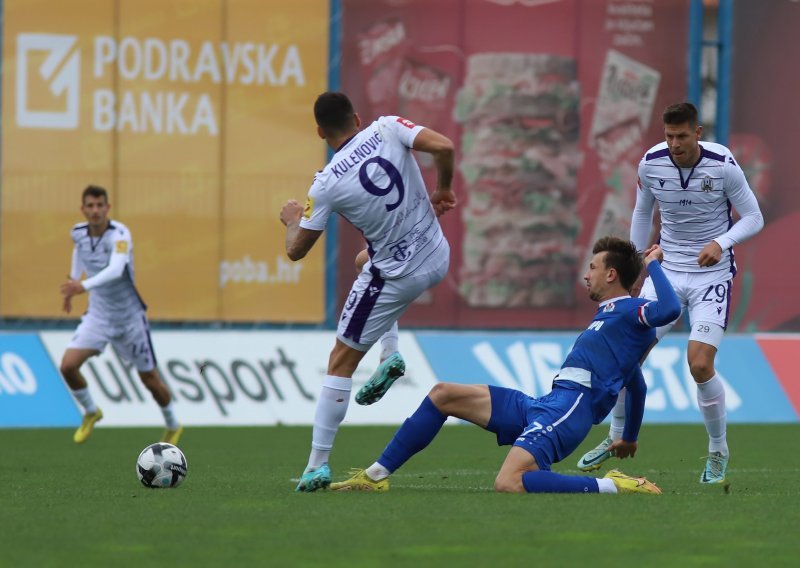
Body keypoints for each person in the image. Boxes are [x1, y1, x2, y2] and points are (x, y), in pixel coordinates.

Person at [330, 237, 680, 494]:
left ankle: (613, 487)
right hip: (546, 404)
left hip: (570, 410)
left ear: (611, 274)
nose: (587, 275)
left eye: (593, 267)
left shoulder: (631, 310)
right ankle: (374, 477)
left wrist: (652, 265)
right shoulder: (610, 319)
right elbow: (636, 382)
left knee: (508, 482)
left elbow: (669, 310)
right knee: (443, 394)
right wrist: (628, 436)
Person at [577, 102, 764, 484]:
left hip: (710, 277)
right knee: (628, 356)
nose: (674, 144)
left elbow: (754, 217)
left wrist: (722, 242)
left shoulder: (723, 164)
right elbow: (642, 212)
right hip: (667, 274)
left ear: (697, 133)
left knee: (699, 364)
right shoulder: (651, 163)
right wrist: (632, 265)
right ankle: (615, 437)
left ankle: (717, 450)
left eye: (681, 136)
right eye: (669, 136)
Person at [280, 91, 456, 492]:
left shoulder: (324, 184)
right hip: (437, 253)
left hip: (396, 275)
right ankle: (390, 353)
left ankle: (316, 465)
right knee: (366, 261)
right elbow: (444, 146)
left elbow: (296, 250)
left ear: (320, 132)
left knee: (340, 361)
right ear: (357, 118)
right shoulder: (388, 127)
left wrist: (291, 219)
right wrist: (443, 188)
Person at [59, 185, 182, 445]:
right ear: (83, 209)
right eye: (90, 206)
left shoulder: (120, 234)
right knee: (68, 366)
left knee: (149, 379)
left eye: (99, 205)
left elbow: (116, 270)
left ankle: (172, 423)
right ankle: (92, 412)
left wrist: (82, 286)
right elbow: (80, 252)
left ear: (107, 208)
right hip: (98, 316)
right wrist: (73, 281)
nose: (95, 211)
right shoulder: (78, 233)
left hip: (130, 319)